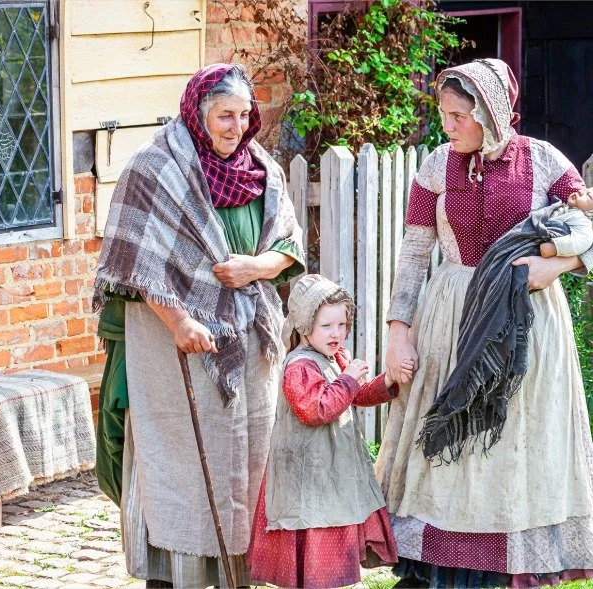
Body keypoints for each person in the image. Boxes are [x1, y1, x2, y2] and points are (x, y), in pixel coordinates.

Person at [374, 58, 593, 587]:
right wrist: (397, 330)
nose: (447, 125)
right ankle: (439, 562)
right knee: (451, 432)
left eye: (459, 115)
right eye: (443, 113)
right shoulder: (437, 166)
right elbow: (415, 255)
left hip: (526, 318)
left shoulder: (544, 162)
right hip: (451, 318)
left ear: (492, 113)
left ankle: (512, 565)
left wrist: (560, 264)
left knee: (511, 435)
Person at [93, 64, 305, 588]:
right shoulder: (154, 171)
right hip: (172, 351)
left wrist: (255, 268)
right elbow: (131, 262)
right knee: (179, 469)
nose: (235, 126)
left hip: (247, 349)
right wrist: (180, 320)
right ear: (197, 113)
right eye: (223, 115)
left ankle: (237, 574)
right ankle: (172, 577)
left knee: (244, 465)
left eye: (242, 114)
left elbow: (288, 249)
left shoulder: (264, 173)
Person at [246, 274, 412, 588]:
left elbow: (358, 395)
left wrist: (389, 380)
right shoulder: (300, 365)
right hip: (308, 475)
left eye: (342, 325)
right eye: (327, 326)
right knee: (317, 529)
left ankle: (335, 582)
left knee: (335, 526)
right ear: (305, 326)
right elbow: (316, 410)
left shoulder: (334, 358)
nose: (336, 333)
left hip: (331, 471)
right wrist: (347, 378)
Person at [539, 185, 593, 261]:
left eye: (589, 196)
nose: (581, 191)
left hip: (538, 242)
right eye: (586, 190)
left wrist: (554, 248)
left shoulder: (583, 221)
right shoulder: (569, 210)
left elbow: (584, 240)